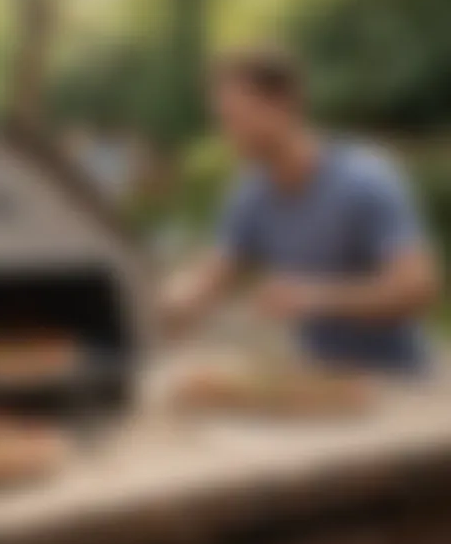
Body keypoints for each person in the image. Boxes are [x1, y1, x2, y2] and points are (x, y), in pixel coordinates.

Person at [162, 46, 440, 374]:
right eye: (223, 119)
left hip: (398, 383)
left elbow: (419, 287)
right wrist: (178, 297)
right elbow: (216, 273)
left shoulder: (367, 179)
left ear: (283, 105)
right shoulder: (251, 192)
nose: (226, 133)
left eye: (235, 117)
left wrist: (315, 297)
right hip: (324, 380)